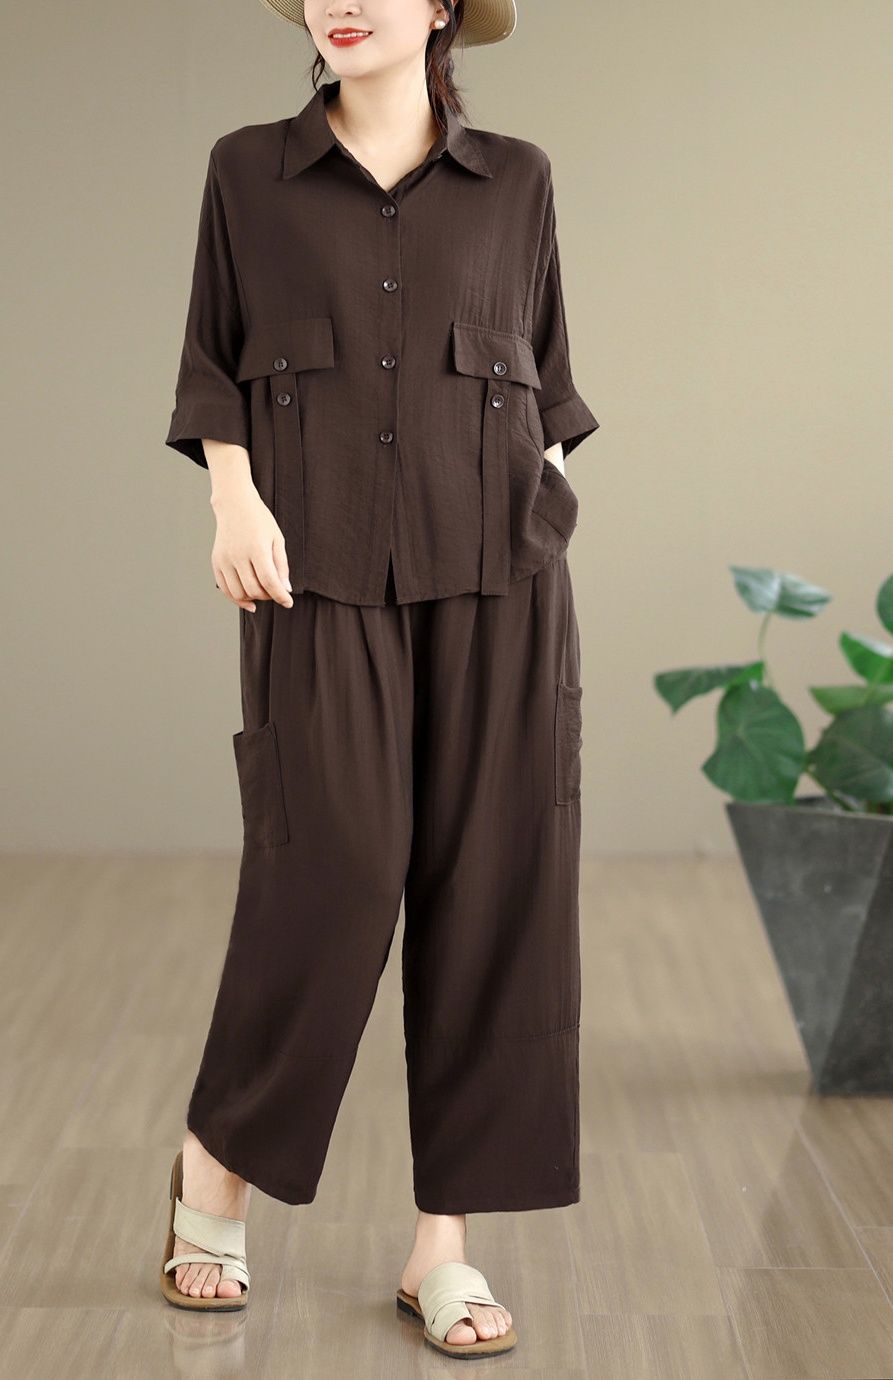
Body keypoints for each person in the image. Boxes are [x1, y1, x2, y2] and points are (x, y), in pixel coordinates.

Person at [159, 0, 598, 1358]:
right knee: (329, 870)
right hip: (314, 573)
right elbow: (214, 361)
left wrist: (545, 507)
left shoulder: (518, 179)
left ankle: (442, 1249)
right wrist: (232, 502)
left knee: (494, 892)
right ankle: (213, 1174)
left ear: (444, 7)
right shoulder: (249, 169)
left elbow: (552, 379)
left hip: (501, 580)